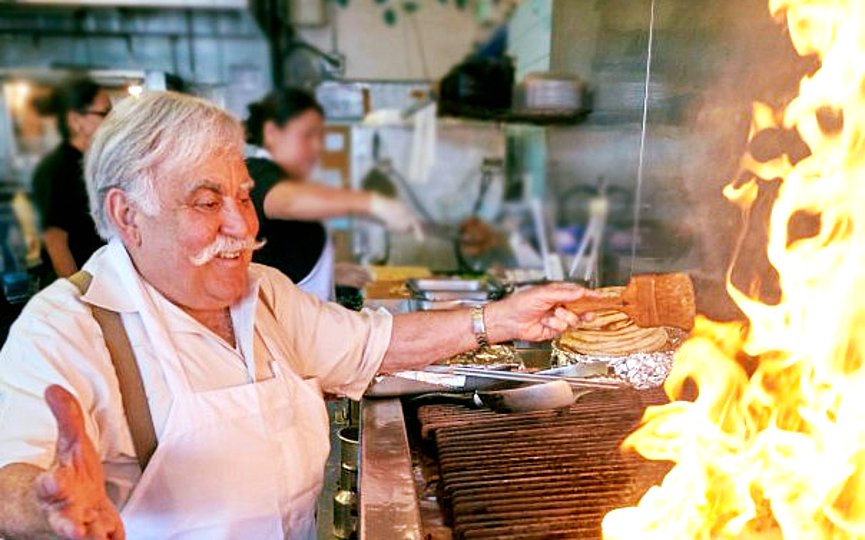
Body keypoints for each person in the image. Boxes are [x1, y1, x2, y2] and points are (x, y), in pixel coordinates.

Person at [0, 91, 595, 540]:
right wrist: (44, 503)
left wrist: (500, 319)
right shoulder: (68, 326)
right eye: (207, 202)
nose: (242, 225)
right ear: (127, 215)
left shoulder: (265, 295)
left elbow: (374, 344)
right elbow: (11, 475)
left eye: (243, 196)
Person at [245, 88, 422, 300]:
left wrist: (332, 273)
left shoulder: (286, 178)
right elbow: (288, 202)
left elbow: (281, 256)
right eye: (307, 135)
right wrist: (371, 203)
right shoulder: (258, 174)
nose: (317, 147)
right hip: (285, 319)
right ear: (272, 133)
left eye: (319, 137)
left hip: (306, 314)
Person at [31, 77, 110, 279]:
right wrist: (79, 291)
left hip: (104, 275)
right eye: (104, 113)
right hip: (81, 280)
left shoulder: (97, 160)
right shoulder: (56, 169)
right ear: (75, 120)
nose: (112, 120)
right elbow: (55, 242)